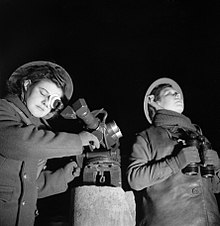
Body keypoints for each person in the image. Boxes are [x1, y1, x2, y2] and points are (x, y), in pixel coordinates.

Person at [0, 61, 100, 226]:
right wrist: (77, 140)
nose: (47, 103)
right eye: (43, 93)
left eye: (53, 101)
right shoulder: (4, 110)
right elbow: (24, 144)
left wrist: (64, 175)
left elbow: (28, 186)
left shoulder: (38, 129)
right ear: (26, 84)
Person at [127, 77, 220, 226]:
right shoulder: (147, 137)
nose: (178, 95)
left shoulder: (199, 137)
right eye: (169, 93)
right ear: (152, 100)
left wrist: (217, 168)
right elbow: (135, 179)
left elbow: (215, 189)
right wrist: (176, 162)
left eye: (178, 93)